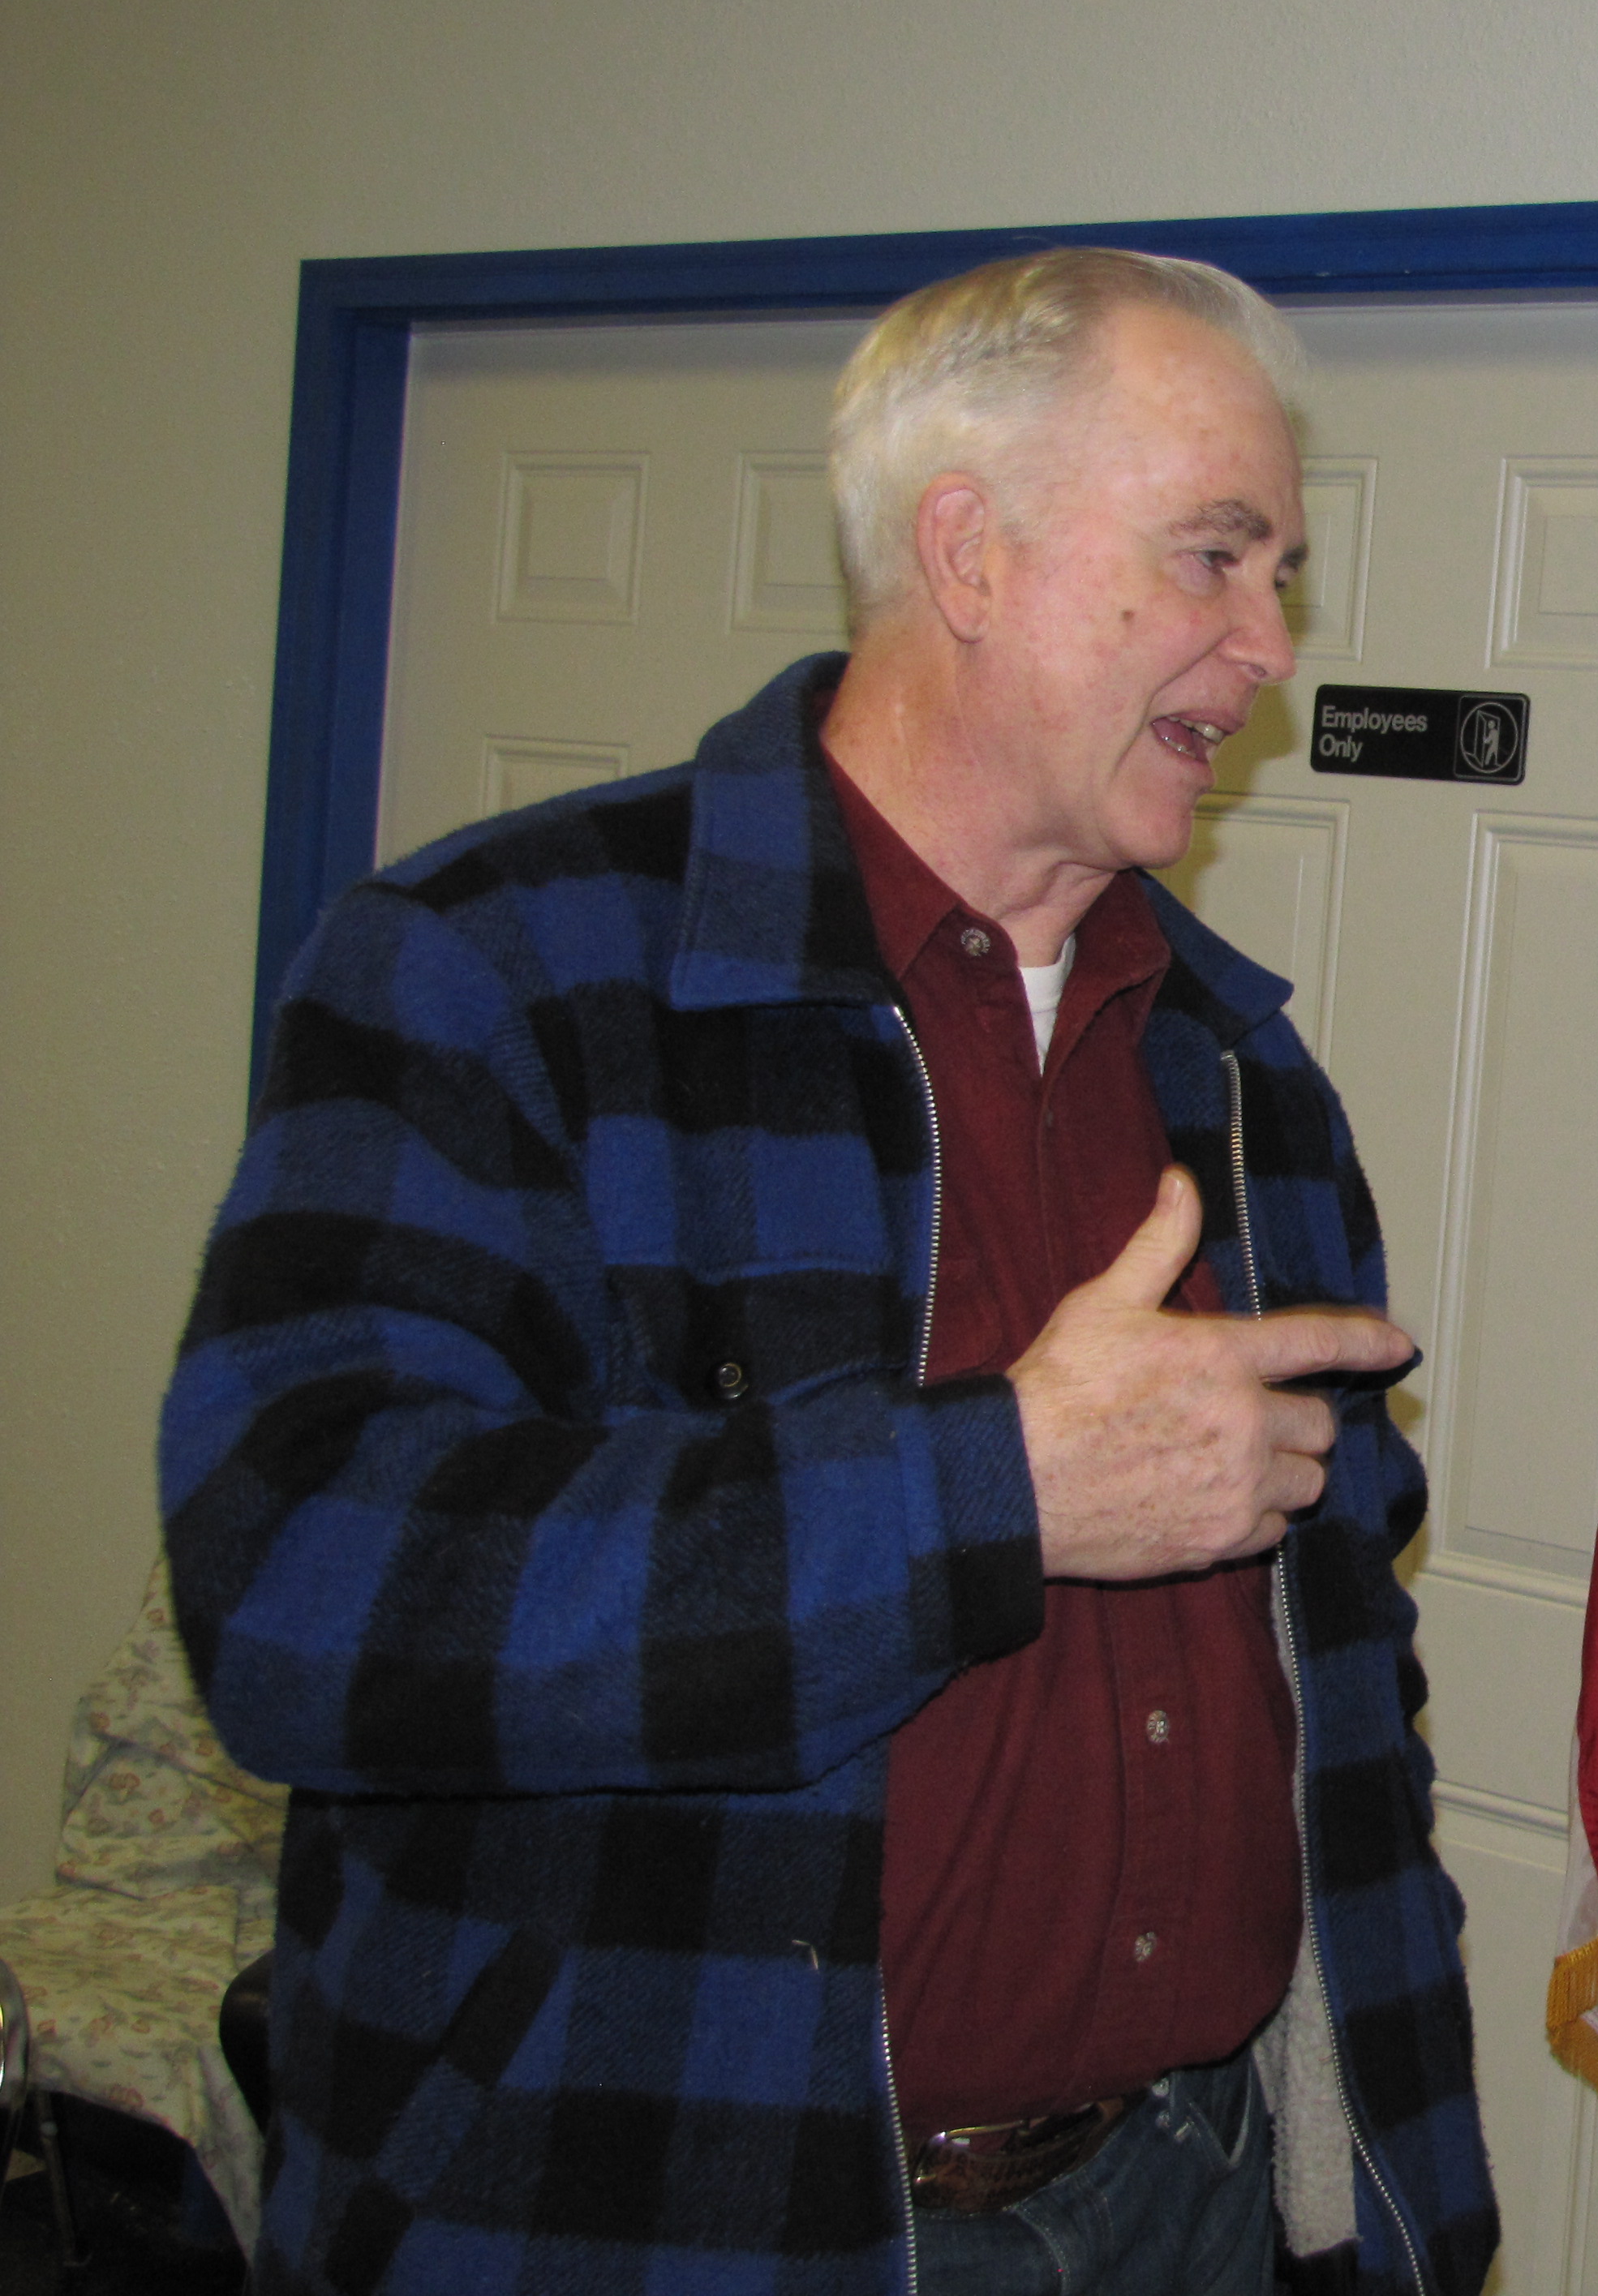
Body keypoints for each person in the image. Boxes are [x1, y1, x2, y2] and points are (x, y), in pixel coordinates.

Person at [160, 251, 1497, 2296]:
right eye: (1214, 557)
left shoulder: (1233, 1072)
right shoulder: (500, 975)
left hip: (1200, 2189)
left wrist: (1393, 2180)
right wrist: (997, 1489)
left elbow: (1342, 1671)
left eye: (1280, 578)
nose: (1265, 649)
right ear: (967, 551)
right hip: (695, 2221)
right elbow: (302, 1591)